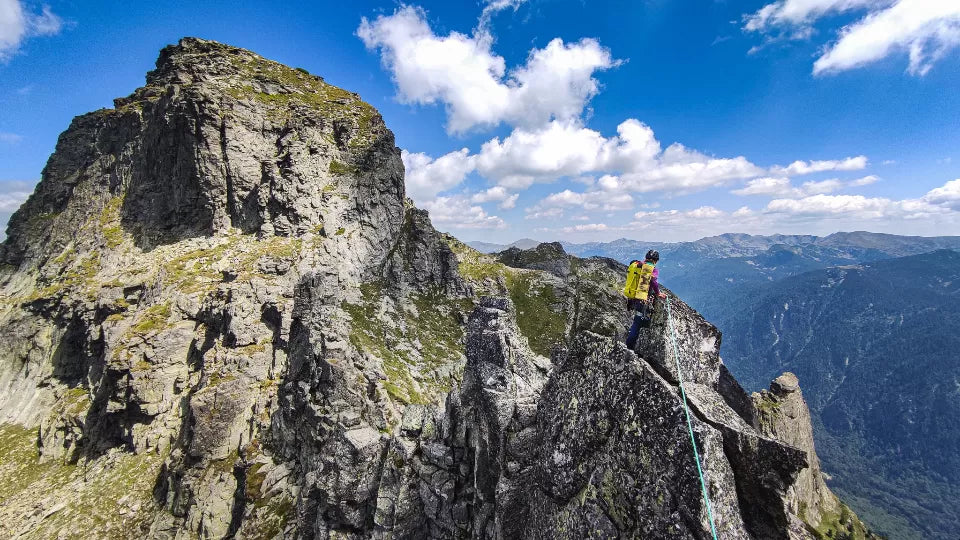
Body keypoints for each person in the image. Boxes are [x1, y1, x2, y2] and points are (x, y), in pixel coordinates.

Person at [624, 249, 667, 349]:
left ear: (646, 258)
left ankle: (632, 345)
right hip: (643, 299)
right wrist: (658, 293)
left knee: (637, 321)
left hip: (633, 298)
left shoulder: (637, 265)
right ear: (656, 261)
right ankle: (630, 347)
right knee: (638, 323)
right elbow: (653, 282)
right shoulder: (652, 269)